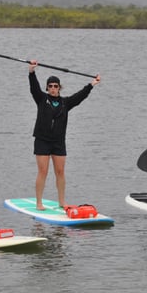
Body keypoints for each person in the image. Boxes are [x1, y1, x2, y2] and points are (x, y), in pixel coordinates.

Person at [28, 60, 100, 210]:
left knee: (60, 172)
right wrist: (32, 72)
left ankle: (62, 201)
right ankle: (39, 203)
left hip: (58, 142)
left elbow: (80, 96)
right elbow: (33, 88)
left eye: (55, 86)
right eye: (50, 86)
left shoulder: (65, 103)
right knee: (43, 171)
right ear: (47, 88)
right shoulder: (41, 99)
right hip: (42, 140)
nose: (53, 88)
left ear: (59, 88)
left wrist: (92, 84)